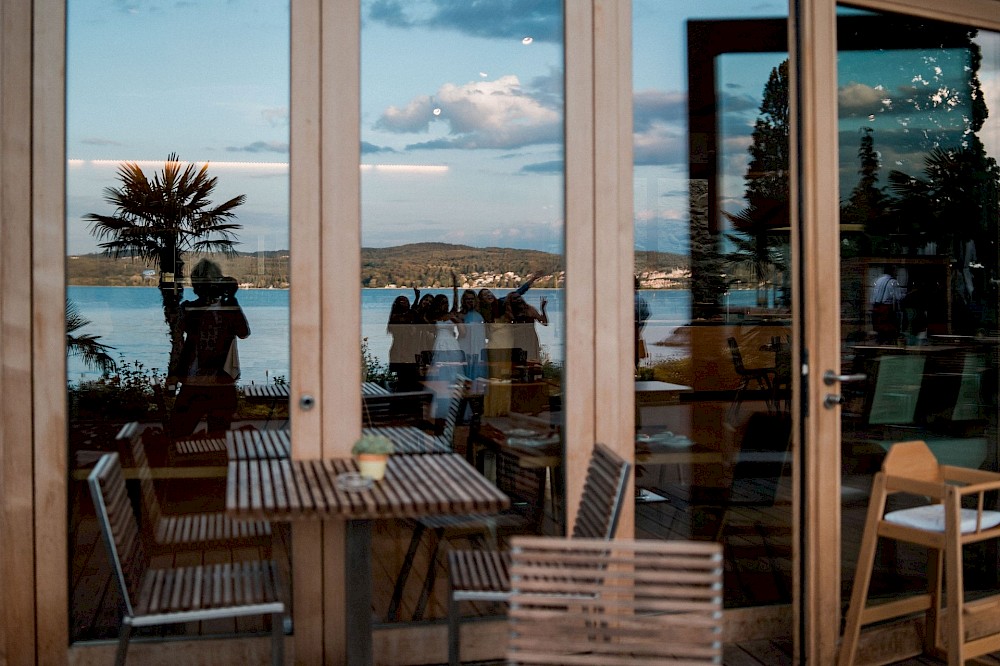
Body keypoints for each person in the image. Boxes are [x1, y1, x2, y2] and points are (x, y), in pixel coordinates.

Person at [169, 259, 251, 437]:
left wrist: (173, 375)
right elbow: (244, 333)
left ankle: (183, 460)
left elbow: (177, 341)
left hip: (193, 382)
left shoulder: (189, 309)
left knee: (178, 433)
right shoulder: (228, 308)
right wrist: (231, 300)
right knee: (219, 438)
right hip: (222, 382)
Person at [870, 267, 902, 343]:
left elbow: (872, 295)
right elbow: (898, 297)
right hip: (887, 307)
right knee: (889, 328)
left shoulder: (877, 281)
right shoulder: (893, 282)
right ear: (893, 272)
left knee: (880, 328)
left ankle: (880, 342)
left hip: (877, 307)